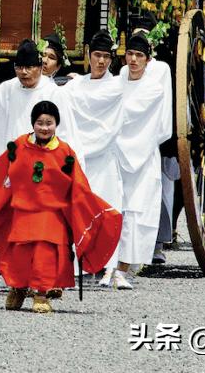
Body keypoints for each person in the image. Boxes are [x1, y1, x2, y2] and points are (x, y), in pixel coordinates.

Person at [0, 99, 121, 314]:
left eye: (49, 123)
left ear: (56, 124)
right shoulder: (19, 145)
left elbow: (78, 184)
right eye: (40, 123)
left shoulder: (65, 151)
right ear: (33, 124)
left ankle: (41, 293)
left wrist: (86, 208)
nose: (44, 127)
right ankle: (18, 288)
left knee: (45, 255)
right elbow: (1, 173)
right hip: (22, 210)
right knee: (19, 255)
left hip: (52, 213)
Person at [104, 32, 172, 290]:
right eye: (130, 54)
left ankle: (124, 267)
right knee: (115, 208)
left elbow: (130, 113)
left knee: (134, 212)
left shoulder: (153, 88)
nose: (133, 60)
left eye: (139, 55)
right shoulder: (118, 80)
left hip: (141, 154)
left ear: (147, 59)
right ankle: (109, 264)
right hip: (115, 153)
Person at [60, 30, 124, 268]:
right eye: (97, 55)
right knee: (79, 211)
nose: (101, 61)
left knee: (106, 208)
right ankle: (79, 264)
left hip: (104, 159)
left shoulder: (117, 86)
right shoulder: (75, 86)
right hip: (80, 159)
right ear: (88, 54)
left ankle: (107, 264)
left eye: (106, 56)